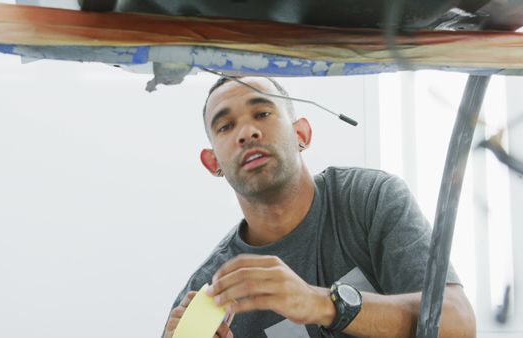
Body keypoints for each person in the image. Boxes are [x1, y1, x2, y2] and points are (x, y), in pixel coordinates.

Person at [162, 76, 475, 338]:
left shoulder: (368, 200)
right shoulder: (210, 292)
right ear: (213, 162)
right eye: (226, 126)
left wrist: (322, 304)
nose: (247, 133)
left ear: (301, 134)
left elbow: (458, 323)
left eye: (262, 114)